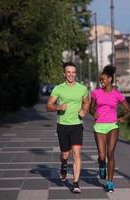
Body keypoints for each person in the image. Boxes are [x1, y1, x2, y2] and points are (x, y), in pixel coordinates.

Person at [46, 61, 89, 193]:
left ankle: (76, 183)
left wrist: (84, 111)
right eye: (68, 72)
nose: (71, 75)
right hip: (63, 126)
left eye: (73, 72)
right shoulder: (58, 89)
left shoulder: (82, 88)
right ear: (64, 73)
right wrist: (58, 107)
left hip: (77, 125)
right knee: (65, 154)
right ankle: (64, 165)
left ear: (76, 74)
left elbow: (87, 102)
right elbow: (48, 106)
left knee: (76, 154)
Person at [90, 65, 130, 192]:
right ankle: (102, 165)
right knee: (102, 156)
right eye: (100, 80)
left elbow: (129, 110)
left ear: (109, 79)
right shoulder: (96, 93)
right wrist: (93, 113)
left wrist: (124, 117)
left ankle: (110, 182)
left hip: (113, 126)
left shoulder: (117, 94)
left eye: (103, 80)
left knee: (110, 154)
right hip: (99, 126)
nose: (101, 82)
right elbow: (91, 108)